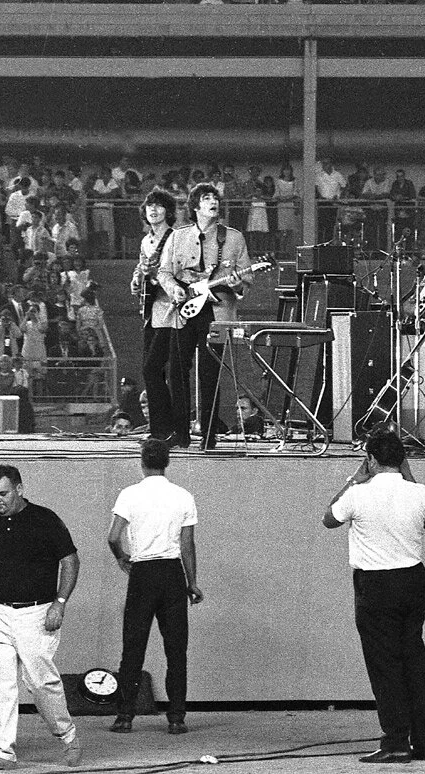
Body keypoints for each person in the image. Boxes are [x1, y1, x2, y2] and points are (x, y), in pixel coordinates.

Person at [323, 433, 425, 764]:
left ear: (370, 460)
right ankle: (424, 742)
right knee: (413, 659)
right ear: (402, 459)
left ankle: (396, 741)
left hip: (376, 584)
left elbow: (328, 518)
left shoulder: (358, 494)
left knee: (385, 665)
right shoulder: (422, 493)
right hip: (414, 580)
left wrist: (353, 479)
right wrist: (407, 470)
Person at [0, 464, 82, 769]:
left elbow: (70, 560)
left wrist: (60, 602)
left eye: (2, 493)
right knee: (0, 684)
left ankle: (67, 735)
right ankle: (3, 752)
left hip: (37, 612)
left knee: (40, 683)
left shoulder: (45, 520)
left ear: (19, 489)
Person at [106, 438, 203, 735]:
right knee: (176, 649)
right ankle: (176, 718)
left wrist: (122, 557)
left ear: (142, 461)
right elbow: (187, 544)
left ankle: (125, 716)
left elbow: (113, 536)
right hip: (172, 573)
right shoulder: (183, 496)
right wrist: (192, 582)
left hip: (143, 573)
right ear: (167, 461)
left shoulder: (130, 494)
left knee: (133, 647)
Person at [157, 183, 255, 450]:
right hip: (185, 310)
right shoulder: (177, 237)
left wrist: (235, 284)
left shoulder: (232, 238)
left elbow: (246, 278)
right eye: (206, 198)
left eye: (215, 198)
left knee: (210, 371)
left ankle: (209, 433)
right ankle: (181, 432)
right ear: (195, 206)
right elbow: (164, 272)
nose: (213, 202)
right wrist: (175, 289)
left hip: (217, 309)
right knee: (176, 370)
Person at [129, 190, 181, 443]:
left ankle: (168, 428)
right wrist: (137, 281)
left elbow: (178, 274)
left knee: (155, 368)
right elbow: (141, 270)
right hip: (151, 313)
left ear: (168, 212)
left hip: (172, 313)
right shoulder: (145, 242)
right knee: (152, 371)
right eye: (150, 205)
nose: (153, 210)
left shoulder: (176, 238)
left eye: (159, 206)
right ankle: (159, 429)